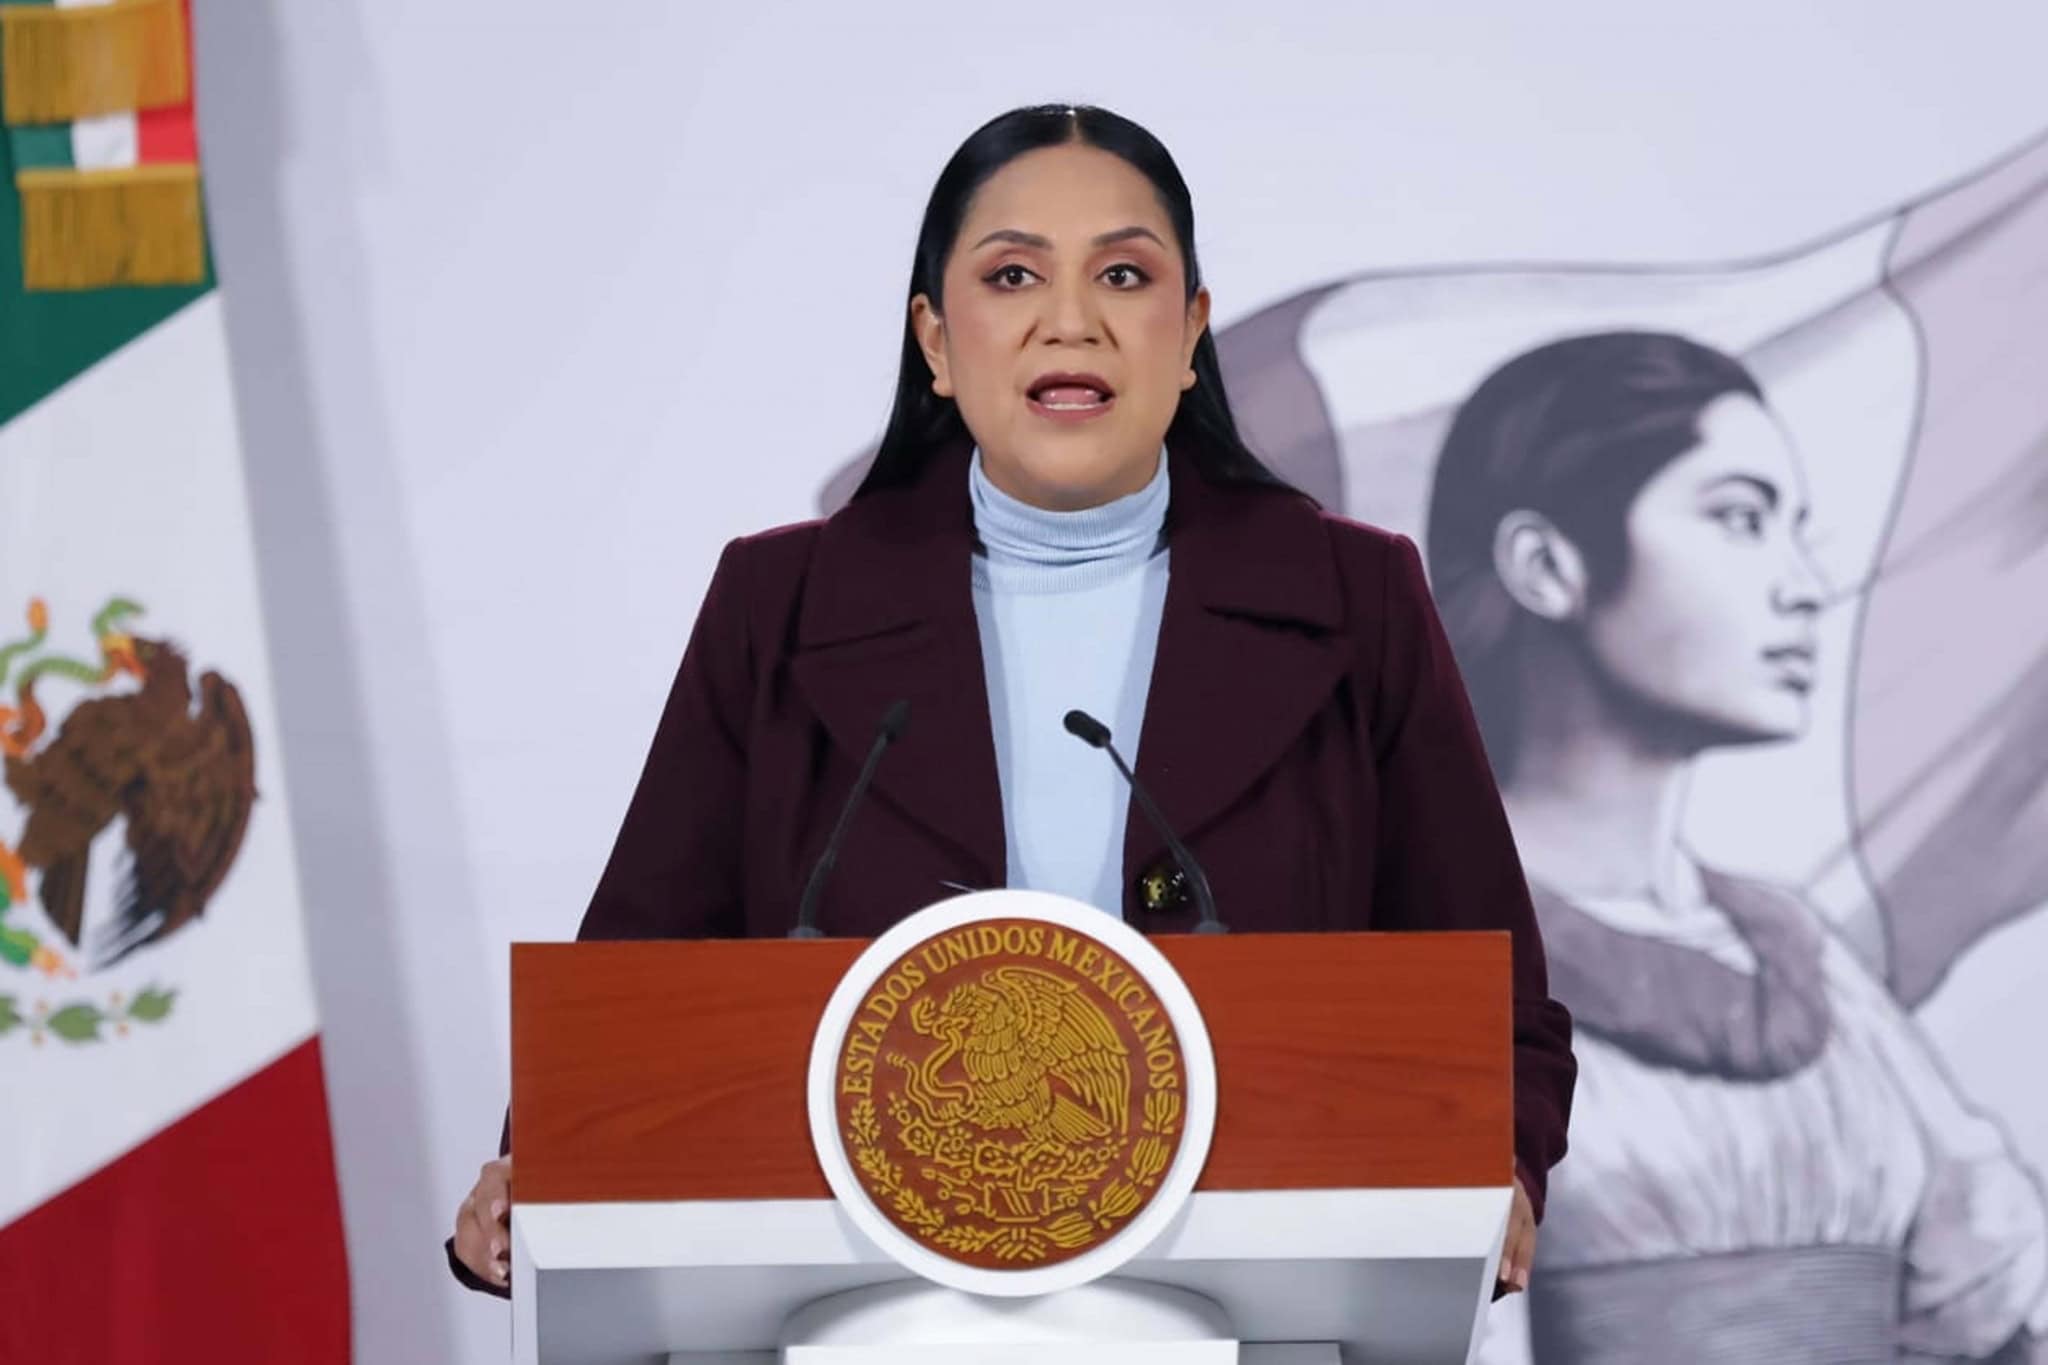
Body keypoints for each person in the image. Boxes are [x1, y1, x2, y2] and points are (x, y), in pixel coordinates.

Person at [448, 104, 1576, 1301]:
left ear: (1190, 333)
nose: (1070, 320)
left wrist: (1495, 1165)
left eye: (1123, 275)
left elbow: (1493, 1006)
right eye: (1012, 276)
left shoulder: (1351, 599)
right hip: (869, 1314)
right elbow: (638, 998)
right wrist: (542, 1171)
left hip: (1250, 1306)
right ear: (935, 341)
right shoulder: (778, 606)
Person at [1431, 332, 2048, 1364]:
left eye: (1795, 530)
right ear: (1546, 566)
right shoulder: (1423, 942)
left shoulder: (1794, 953)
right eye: (1739, 518)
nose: (1804, 585)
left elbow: (1995, 1295)